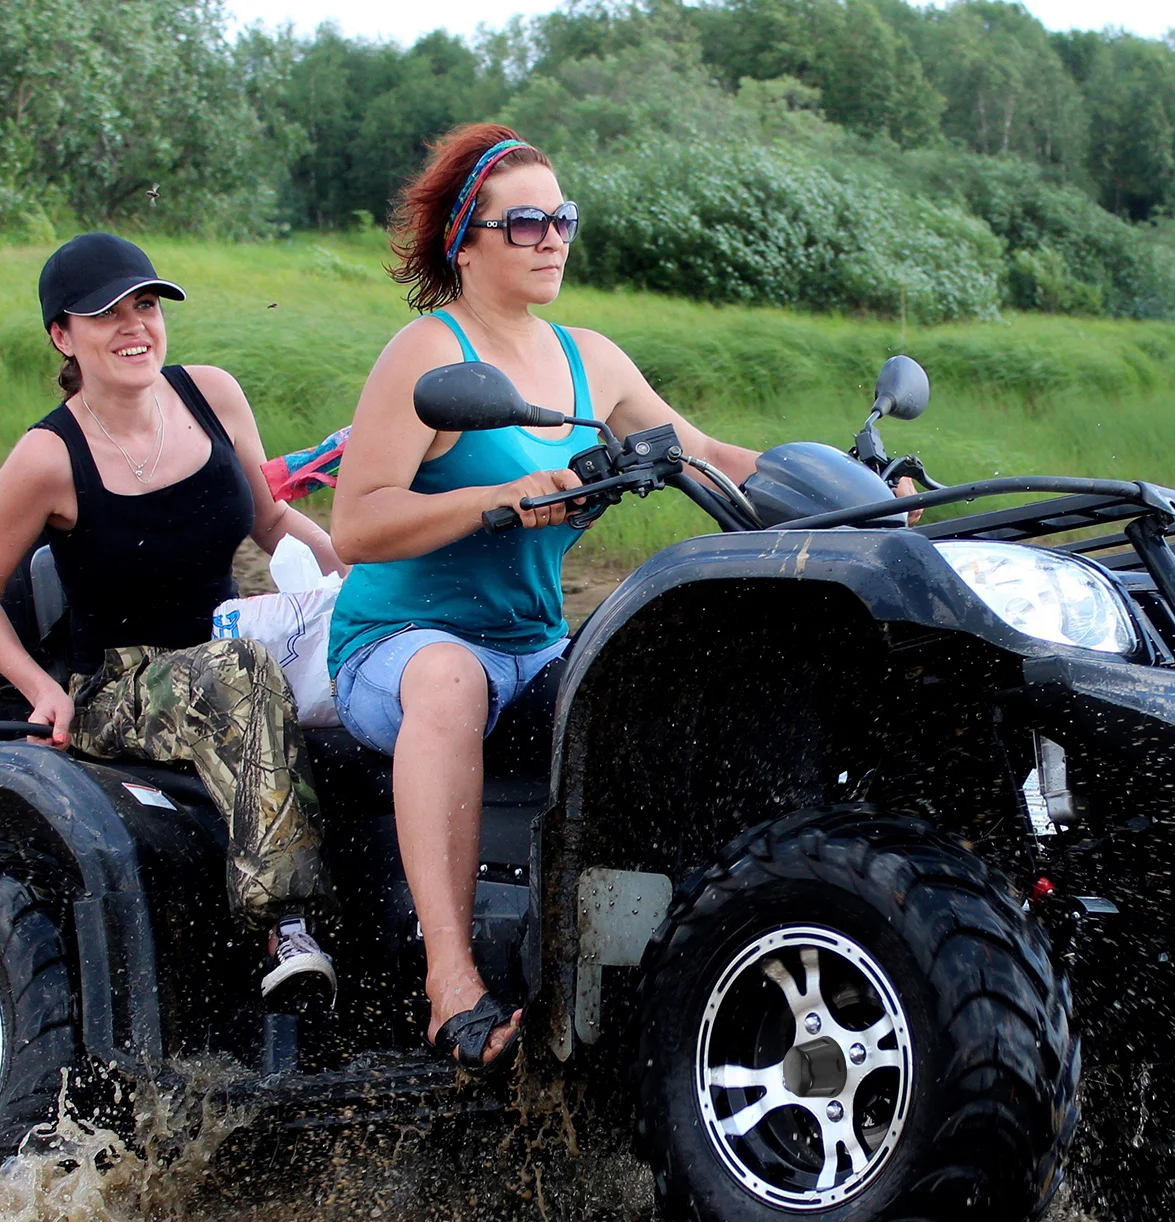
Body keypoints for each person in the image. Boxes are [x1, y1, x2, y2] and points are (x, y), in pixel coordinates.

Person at [331, 123, 919, 1072]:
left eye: (562, 217)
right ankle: (451, 983)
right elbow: (355, 525)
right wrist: (494, 498)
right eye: (525, 222)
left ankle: (697, 950)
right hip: (402, 644)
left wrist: (857, 494)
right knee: (447, 681)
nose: (553, 237)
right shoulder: (425, 355)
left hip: (529, 644)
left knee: (677, 671)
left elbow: (713, 458)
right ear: (465, 242)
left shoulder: (589, 360)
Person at [0, 233, 345, 1011]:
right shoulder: (47, 457)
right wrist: (35, 687)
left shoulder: (211, 395)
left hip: (237, 649)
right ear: (63, 335)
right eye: (107, 314)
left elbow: (272, 519)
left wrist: (359, 582)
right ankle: (284, 925)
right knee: (239, 676)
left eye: (146, 306)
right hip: (118, 685)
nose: (135, 327)